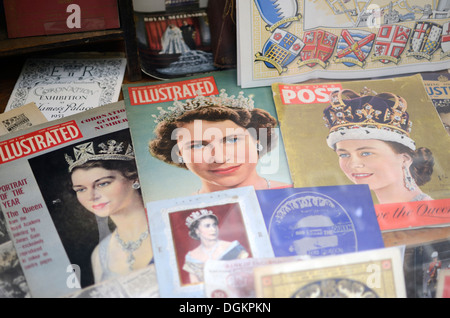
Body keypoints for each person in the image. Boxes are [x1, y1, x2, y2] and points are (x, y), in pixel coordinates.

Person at [149, 89, 291, 194]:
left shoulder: (292, 193)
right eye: (197, 145)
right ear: (179, 153)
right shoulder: (177, 211)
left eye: (232, 140)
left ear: (256, 140)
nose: (220, 157)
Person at [323, 88, 434, 204]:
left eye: (366, 153)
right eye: (344, 154)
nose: (353, 164)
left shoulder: (431, 214)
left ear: (405, 159)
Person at [65, 138, 153, 283]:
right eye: (81, 189)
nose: (91, 196)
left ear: (135, 178)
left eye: (103, 183)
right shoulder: (100, 254)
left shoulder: (172, 224)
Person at [182, 209, 248, 283]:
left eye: (214, 225)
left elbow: (246, 276)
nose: (213, 229)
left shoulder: (233, 248)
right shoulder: (192, 256)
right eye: (207, 226)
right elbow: (194, 285)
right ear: (197, 230)